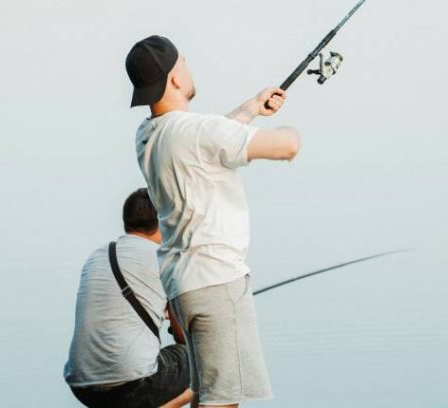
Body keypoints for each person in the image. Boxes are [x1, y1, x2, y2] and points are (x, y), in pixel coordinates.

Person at [125, 35, 300, 408]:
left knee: (206, 394)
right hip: (218, 282)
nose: (189, 69)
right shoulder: (196, 132)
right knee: (222, 401)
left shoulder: (147, 135)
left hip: (182, 286)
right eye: (184, 62)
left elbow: (204, 142)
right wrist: (291, 132)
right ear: (174, 78)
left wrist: (250, 109)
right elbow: (286, 148)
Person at [64, 189, 193, 408]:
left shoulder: (97, 256)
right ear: (164, 220)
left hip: (83, 386)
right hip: (132, 385)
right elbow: (183, 337)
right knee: (206, 357)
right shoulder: (166, 259)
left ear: (127, 222)